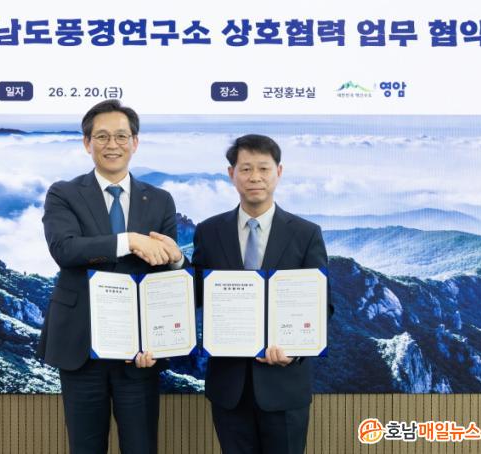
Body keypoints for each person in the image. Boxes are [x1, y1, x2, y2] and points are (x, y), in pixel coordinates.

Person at [38, 100, 185, 454]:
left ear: (135, 142)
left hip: (138, 351)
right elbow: (65, 250)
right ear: (87, 143)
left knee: (141, 446)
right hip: (81, 344)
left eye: (121, 136)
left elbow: (164, 274)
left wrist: (178, 259)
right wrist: (128, 241)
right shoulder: (64, 193)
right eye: (102, 136)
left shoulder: (160, 200)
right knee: (85, 447)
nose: (112, 144)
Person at [192, 134, 331, 454]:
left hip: (284, 385)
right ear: (231, 174)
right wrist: (174, 263)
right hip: (229, 387)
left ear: (278, 172)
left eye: (264, 169)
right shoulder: (209, 231)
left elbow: (322, 303)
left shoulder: (305, 233)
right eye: (246, 169)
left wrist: (296, 349)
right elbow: (198, 293)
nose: (255, 177)